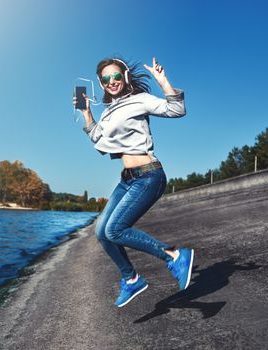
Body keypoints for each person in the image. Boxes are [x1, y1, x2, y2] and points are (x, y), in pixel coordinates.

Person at [73, 57, 194, 308]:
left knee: (115, 229)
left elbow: (177, 110)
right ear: (101, 84)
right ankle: (131, 279)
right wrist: (87, 113)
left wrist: (163, 81)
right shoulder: (107, 111)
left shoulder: (139, 100)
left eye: (116, 76)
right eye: (106, 79)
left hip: (149, 175)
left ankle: (174, 255)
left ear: (125, 76)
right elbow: (98, 139)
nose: (112, 82)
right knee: (102, 233)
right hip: (127, 179)